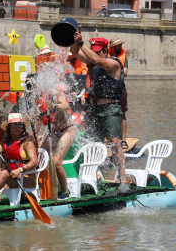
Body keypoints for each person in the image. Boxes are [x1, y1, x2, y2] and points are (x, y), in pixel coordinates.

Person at [70, 28, 128, 193]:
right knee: (92, 142)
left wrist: (82, 44)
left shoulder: (113, 63)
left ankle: (122, 181)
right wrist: (75, 40)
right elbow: (74, 51)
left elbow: (97, 60)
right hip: (94, 108)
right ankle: (91, 177)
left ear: (105, 51)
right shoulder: (92, 63)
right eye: (92, 50)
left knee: (114, 143)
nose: (94, 55)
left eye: (97, 51)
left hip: (111, 108)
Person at [37, 85, 77, 200]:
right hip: (54, 132)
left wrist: (54, 106)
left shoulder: (52, 92)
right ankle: (46, 186)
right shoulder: (36, 100)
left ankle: (65, 191)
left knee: (56, 162)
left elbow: (66, 105)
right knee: (39, 157)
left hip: (67, 129)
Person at [109, 37, 129, 149]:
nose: (120, 47)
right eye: (118, 45)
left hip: (121, 88)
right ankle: (107, 139)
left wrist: (112, 69)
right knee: (108, 114)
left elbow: (124, 73)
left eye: (121, 44)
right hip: (107, 90)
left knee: (122, 114)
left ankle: (123, 140)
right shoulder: (106, 56)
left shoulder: (124, 56)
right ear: (112, 47)